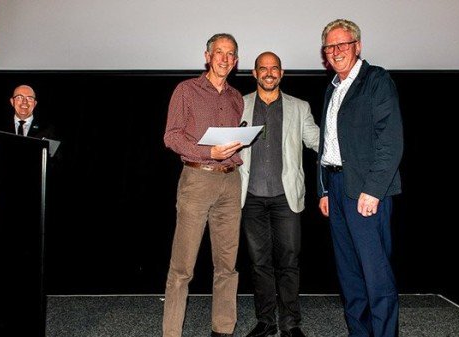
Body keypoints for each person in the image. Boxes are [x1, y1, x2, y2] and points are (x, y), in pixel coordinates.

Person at [316, 19, 404, 337]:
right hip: (338, 188)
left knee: (375, 273)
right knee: (350, 272)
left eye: (343, 44)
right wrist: (324, 188)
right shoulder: (333, 87)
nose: (336, 51)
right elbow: (328, 143)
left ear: (358, 46)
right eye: (330, 46)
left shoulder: (376, 80)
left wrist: (374, 189)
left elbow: (390, 141)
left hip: (366, 190)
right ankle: (359, 332)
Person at [162, 33, 244, 337]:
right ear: (207, 56)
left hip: (230, 182)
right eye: (218, 52)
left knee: (227, 265)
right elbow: (171, 136)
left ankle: (223, 330)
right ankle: (171, 332)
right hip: (197, 180)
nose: (224, 58)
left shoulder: (236, 98)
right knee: (182, 267)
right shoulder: (186, 90)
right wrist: (207, 151)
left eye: (230, 54)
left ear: (235, 61)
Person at [240, 52, 319, 337]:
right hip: (249, 197)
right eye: (264, 68)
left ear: (282, 73)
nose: (269, 73)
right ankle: (266, 322)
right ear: (255, 73)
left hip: (287, 198)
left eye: (274, 68)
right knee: (259, 263)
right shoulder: (240, 105)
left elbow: (315, 140)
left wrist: (344, 138)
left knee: (288, 262)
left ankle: (290, 324)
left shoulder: (300, 107)